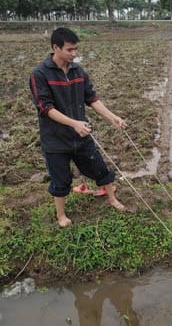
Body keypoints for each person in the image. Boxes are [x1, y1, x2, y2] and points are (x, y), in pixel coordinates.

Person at [30, 27, 127, 227]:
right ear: (55, 48)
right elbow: (45, 108)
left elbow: (90, 97)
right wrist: (74, 123)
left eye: (76, 49)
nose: (74, 54)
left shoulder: (78, 70)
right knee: (61, 180)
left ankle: (112, 199)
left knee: (101, 169)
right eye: (70, 50)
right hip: (56, 139)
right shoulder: (40, 74)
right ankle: (61, 216)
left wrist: (112, 117)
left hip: (81, 135)